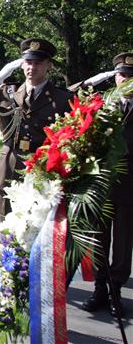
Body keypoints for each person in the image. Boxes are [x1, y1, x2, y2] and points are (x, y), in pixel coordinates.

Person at [0, 39, 73, 220]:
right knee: (7, 227)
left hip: (42, 169)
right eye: (28, 62)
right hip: (10, 167)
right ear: (22, 64)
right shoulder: (7, 93)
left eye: (38, 63)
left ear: (49, 65)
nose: (32, 67)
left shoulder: (63, 98)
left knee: (38, 228)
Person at [81, 52, 133, 318]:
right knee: (99, 241)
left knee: (123, 245)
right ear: (114, 77)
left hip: (129, 189)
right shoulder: (101, 106)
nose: (126, 81)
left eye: (131, 77)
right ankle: (99, 289)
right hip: (102, 187)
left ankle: (116, 292)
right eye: (122, 75)